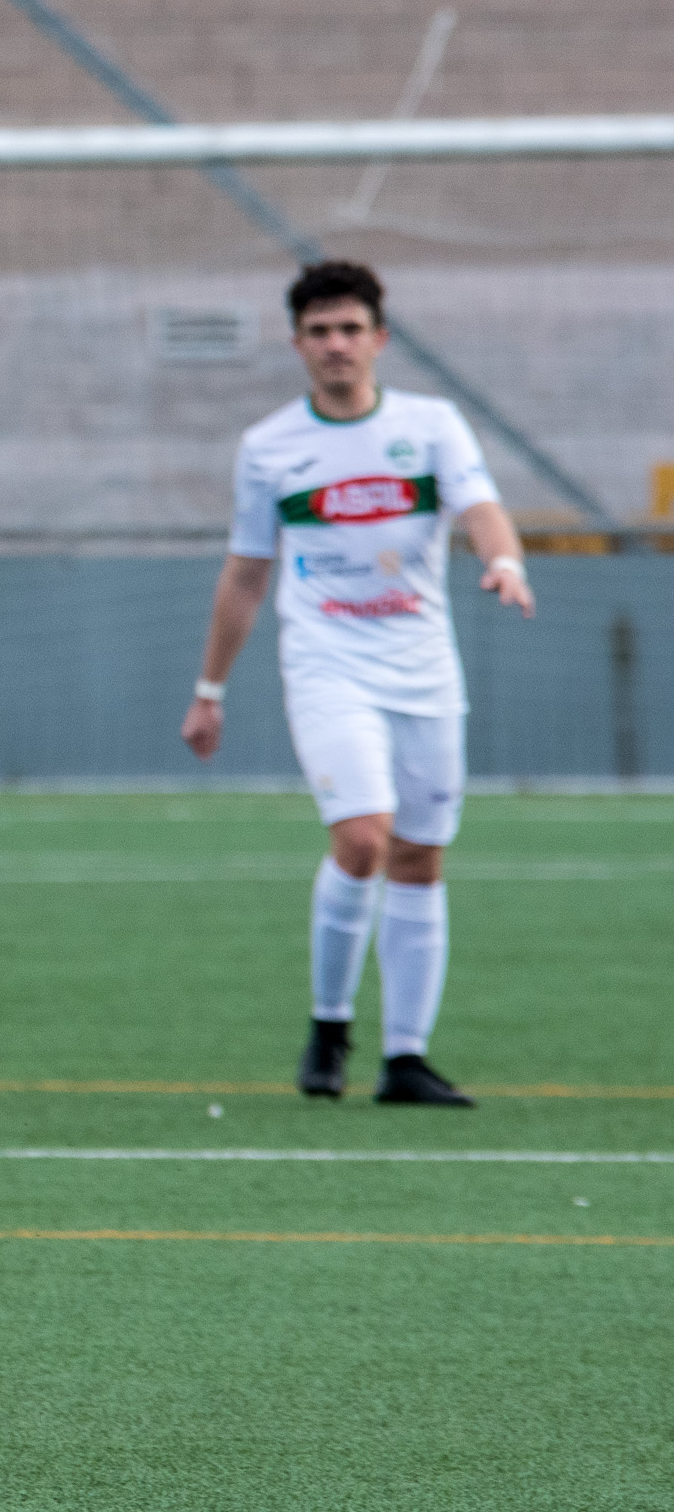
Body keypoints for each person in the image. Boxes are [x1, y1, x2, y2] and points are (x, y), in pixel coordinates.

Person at [182, 261, 534, 1107]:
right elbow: (245, 573)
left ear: (379, 337)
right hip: (328, 668)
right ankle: (331, 1021)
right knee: (364, 840)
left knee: (419, 854)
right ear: (298, 343)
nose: (336, 344)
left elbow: (479, 504)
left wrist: (505, 559)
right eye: (319, 331)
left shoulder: (431, 424)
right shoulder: (270, 447)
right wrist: (210, 689)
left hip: (425, 672)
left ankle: (406, 1057)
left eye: (350, 329)